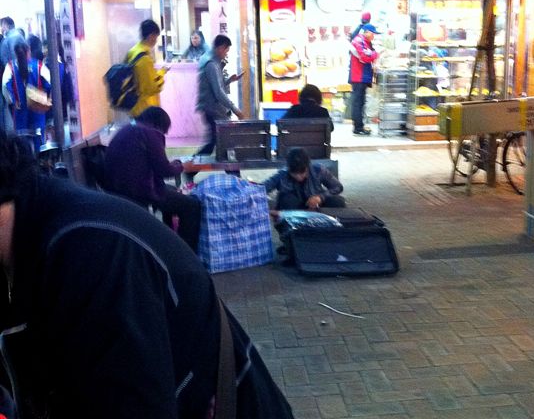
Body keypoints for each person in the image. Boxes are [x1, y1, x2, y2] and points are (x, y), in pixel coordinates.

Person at [0, 130, 294, 419]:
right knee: (188, 205)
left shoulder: (91, 253)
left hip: (134, 195)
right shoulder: (39, 229)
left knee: (189, 206)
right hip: (138, 193)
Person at [104, 106, 201, 252]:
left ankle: (170, 243)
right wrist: (182, 166)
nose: (164, 134)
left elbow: (150, 163)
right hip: (139, 191)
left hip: (119, 188)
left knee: (173, 191)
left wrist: (173, 165)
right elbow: (164, 171)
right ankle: (186, 252)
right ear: (159, 124)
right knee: (191, 206)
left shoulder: (128, 129)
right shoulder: (149, 133)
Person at [196, 34, 245, 156]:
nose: (226, 54)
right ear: (221, 47)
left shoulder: (211, 60)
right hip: (212, 109)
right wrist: (235, 109)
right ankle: (192, 163)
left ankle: (194, 164)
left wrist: (229, 80)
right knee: (218, 142)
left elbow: (214, 85)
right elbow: (218, 92)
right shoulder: (211, 64)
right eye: (226, 50)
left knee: (217, 141)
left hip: (210, 108)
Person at [2, 42, 51, 151]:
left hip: (20, 112)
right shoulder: (39, 66)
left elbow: (5, 86)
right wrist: (43, 98)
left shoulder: (10, 67)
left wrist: (13, 101)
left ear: (15, 53)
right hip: (37, 109)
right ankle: (40, 160)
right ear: (29, 51)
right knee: (39, 142)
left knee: (22, 143)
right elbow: (49, 83)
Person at [263, 147, 345, 210]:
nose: (299, 177)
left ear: (308, 166)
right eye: (295, 173)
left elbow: (338, 187)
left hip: (316, 202)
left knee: (338, 201)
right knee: (287, 200)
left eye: (302, 172)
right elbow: (263, 187)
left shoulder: (318, 170)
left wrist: (320, 197)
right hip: (294, 209)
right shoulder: (282, 174)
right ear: (289, 168)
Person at [126, 19, 167, 118]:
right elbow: (153, 87)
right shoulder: (145, 59)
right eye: (156, 36)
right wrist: (162, 72)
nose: (156, 40)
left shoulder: (133, 51)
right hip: (145, 108)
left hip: (134, 106)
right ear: (151, 36)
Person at [348, 23, 380, 136]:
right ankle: (358, 128)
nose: (374, 36)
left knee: (360, 103)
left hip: (362, 76)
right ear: (366, 32)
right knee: (357, 103)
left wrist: (373, 54)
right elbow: (365, 56)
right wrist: (375, 54)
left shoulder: (365, 42)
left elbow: (368, 55)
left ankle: (360, 126)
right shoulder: (358, 41)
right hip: (358, 77)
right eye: (373, 33)